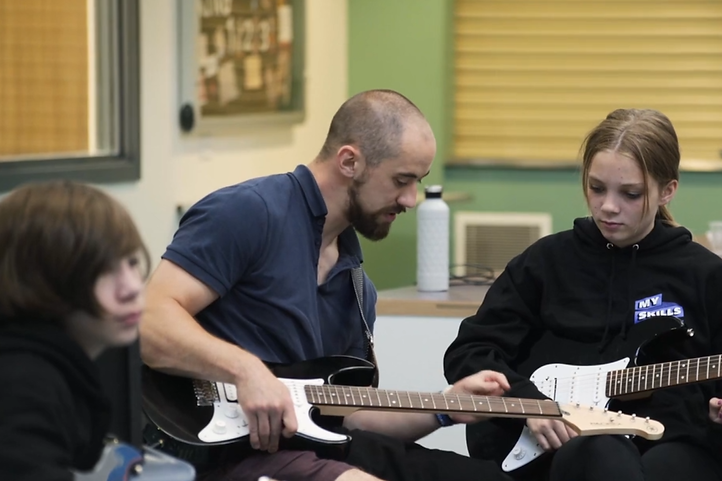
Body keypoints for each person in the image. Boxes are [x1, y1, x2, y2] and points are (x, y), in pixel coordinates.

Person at [139, 89, 515, 481]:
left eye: (417, 182)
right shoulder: (249, 213)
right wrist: (246, 371)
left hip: (319, 446)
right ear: (349, 161)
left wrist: (444, 407)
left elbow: (350, 414)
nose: (410, 199)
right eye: (401, 180)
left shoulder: (357, 285)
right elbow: (149, 321)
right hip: (227, 452)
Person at [444, 108, 722, 481]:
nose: (608, 206)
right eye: (596, 188)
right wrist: (529, 403)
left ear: (667, 191)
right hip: (556, 453)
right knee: (598, 451)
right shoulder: (545, 263)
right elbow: (470, 352)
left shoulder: (704, 275)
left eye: (630, 193)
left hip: (674, 454)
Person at [0, 180, 149, 480]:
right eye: (104, 270)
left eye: (131, 262)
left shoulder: (36, 360)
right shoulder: (17, 387)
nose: (133, 287)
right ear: (40, 282)